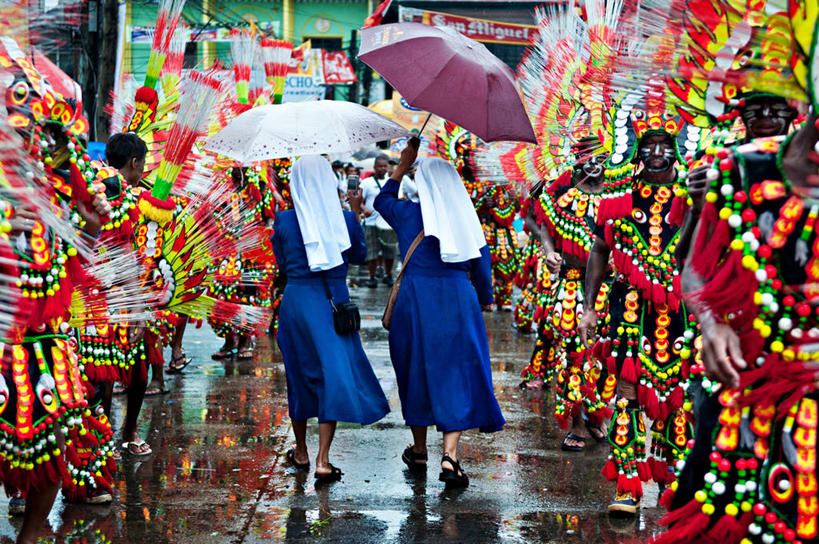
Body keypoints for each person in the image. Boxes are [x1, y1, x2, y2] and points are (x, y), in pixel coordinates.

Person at [578, 107, 696, 515]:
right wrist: (588, 307)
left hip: (681, 311)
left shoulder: (692, 191)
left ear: (678, 147)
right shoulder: (618, 191)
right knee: (627, 396)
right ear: (637, 150)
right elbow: (599, 250)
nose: (658, 152)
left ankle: (674, 477)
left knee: (676, 398)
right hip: (627, 308)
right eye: (649, 144)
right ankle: (627, 486)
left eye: (665, 144)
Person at [373, 140, 505, 488]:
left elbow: (380, 201)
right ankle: (450, 455)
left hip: (414, 301)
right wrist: (485, 297)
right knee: (455, 373)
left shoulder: (407, 214)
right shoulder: (465, 216)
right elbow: (482, 262)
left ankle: (419, 449)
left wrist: (402, 166)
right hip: (457, 300)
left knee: (414, 371)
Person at [273, 155, 389, 482]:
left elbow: (282, 264)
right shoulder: (345, 221)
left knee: (298, 376)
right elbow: (360, 257)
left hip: (296, 303)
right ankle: (323, 460)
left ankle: (301, 451)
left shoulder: (283, 220)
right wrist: (354, 213)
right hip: (333, 303)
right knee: (331, 377)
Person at [360, 154, 398, 287]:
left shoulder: (393, 181)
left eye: (384, 166)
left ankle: (388, 275)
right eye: (379, 166)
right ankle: (372, 277)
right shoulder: (366, 183)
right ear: (375, 167)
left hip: (388, 223)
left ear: (388, 167)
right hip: (371, 222)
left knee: (390, 250)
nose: (382, 169)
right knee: (372, 251)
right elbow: (359, 200)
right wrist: (364, 209)